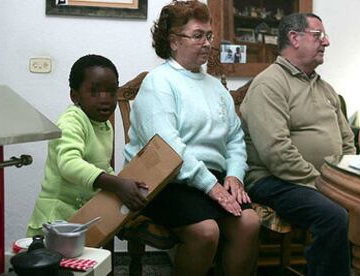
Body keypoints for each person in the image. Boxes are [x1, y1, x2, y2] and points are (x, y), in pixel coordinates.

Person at [123, 1, 260, 275]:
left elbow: (235, 137)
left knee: (249, 223)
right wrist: (213, 187)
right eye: (198, 35)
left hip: (207, 178)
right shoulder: (159, 82)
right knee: (206, 231)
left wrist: (234, 176)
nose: (207, 43)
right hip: (163, 181)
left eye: (209, 35)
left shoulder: (216, 87)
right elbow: (168, 149)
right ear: (174, 41)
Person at [240, 13, 356, 276]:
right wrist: (324, 185)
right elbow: (277, 153)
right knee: (334, 215)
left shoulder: (324, 88)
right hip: (273, 180)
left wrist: (344, 179)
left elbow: (347, 142)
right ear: (294, 38)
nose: (326, 42)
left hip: (320, 181)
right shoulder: (269, 84)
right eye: (318, 35)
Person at [26, 54, 147, 237]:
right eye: (95, 91)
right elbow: (69, 164)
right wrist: (116, 184)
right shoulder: (71, 121)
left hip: (82, 219)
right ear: (75, 96)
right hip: (53, 223)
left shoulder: (103, 124)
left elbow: (102, 167)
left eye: (111, 91)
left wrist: (124, 184)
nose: (105, 98)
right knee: (56, 266)